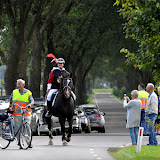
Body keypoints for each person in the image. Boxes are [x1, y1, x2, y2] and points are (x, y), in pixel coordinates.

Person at [9, 79, 34, 149]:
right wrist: (10, 107)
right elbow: (10, 101)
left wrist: (30, 105)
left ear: (23, 85)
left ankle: (29, 142)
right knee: (17, 128)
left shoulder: (28, 92)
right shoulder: (14, 92)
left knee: (27, 127)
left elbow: (32, 101)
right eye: (17, 84)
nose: (18, 86)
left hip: (26, 113)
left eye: (19, 84)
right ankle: (20, 142)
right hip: (17, 114)